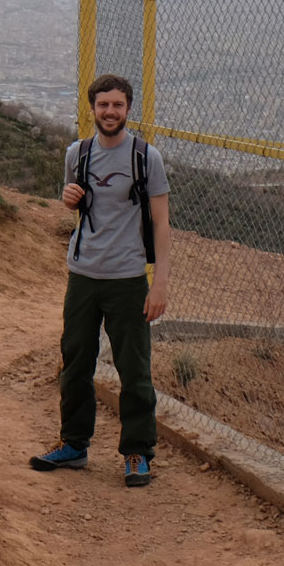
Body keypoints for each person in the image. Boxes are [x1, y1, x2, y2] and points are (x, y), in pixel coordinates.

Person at [29, 73, 171, 487]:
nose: (110, 112)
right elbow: (78, 203)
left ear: (128, 109)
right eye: (103, 105)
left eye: (118, 105)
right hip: (83, 275)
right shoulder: (79, 153)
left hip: (128, 278)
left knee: (134, 368)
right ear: (92, 108)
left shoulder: (146, 158)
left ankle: (137, 452)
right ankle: (74, 444)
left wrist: (159, 281)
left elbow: (161, 223)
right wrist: (68, 196)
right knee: (75, 363)